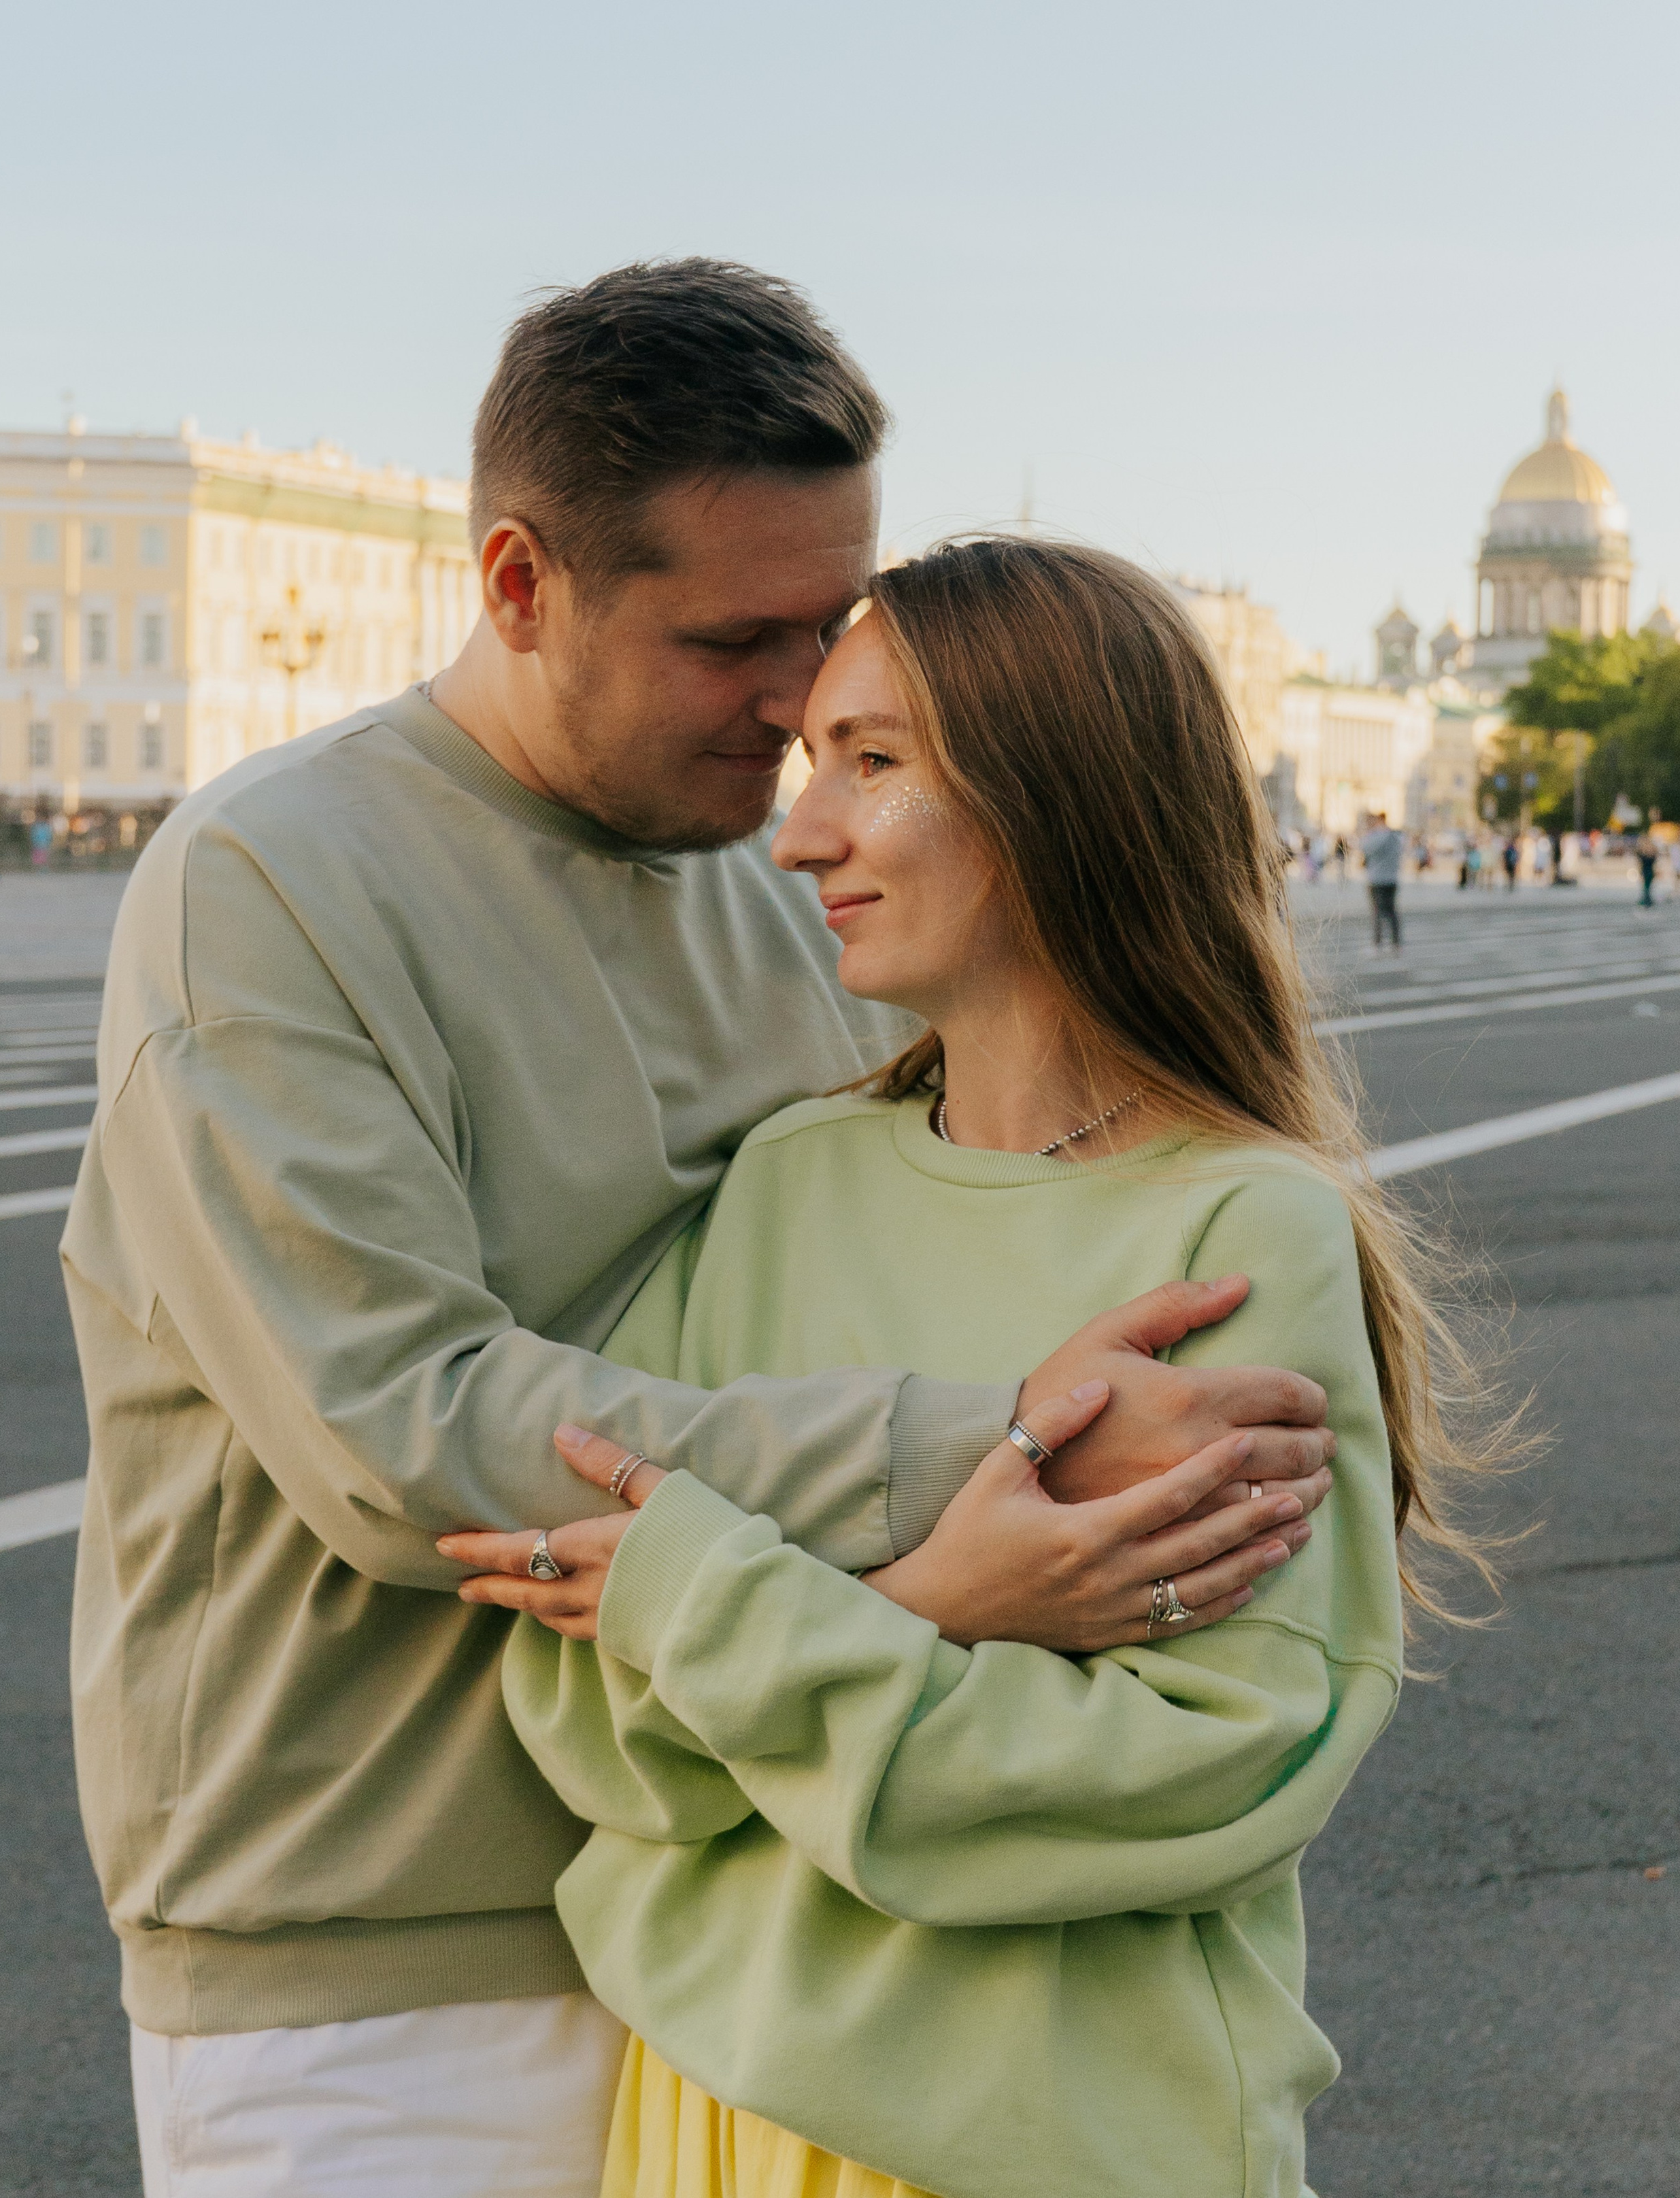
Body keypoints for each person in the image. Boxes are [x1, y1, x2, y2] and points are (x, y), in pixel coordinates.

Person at [61, 268, 1333, 2198]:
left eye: (833, 627)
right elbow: (406, 1439)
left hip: (741, 1908)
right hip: (379, 1957)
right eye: (735, 638)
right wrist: (978, 1455)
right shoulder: (270, 882)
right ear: (515, 585)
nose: (800, 698)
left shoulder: (785, 891)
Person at [449, 542, 1503, 2198]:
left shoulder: (1239, 1226)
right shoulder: (785, 1178)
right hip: (700, 2110)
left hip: (1053, 2136)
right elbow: (577, 1711)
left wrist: (746, 1607)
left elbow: (1189, 1773)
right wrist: (952, 1595)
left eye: (870, 762)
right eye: (812, 764)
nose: (797, 833)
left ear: (1055, 795)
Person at [1359, 807, 1403, 950]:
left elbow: (1364, 849)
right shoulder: (1395, 837)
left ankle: (1377, 944)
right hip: (1392, 878)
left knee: (1377, 912)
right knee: (1392, 911)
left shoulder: (1374, 836)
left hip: (1377, 878)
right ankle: (1396, 943)